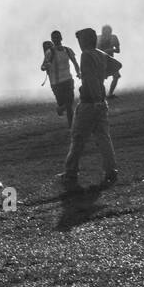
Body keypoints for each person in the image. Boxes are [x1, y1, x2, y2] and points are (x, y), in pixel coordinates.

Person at [60, 28, 120, 190]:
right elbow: (117, 65)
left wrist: (93, 81)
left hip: (89, 103)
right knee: (103, 138)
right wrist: (102, 74)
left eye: (80, 41)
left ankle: (70, 172)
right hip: (101, 101)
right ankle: (111, 170)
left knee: (78, 138)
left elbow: (91, 81)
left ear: (84, 41)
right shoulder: (100, 53)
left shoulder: (86, 55)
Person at [42, 30, 79, 126]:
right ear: (52, 40)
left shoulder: (68, 50)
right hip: (56, 83)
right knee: (65, 105)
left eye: (58, 37)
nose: (56, 39)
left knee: (69, 104)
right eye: (54, 38)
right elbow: (42, 67)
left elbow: (75, 62)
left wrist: (78, 72)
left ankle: (71, 127)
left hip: (68, 80)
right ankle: (60, 109)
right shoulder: (49, 53)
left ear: (61, 38)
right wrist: (46, 66)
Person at [97, 25, 121, 97]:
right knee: (101, 79)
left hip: (110, 60)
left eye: (108, 31)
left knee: (116, 76)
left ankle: (110, 93)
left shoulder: (113, 38)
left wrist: (110, 50)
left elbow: (118, 50)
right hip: (101, 60)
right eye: (105, 31)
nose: (106, 33)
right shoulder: (98, 38)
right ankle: (101, 94)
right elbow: (95, 50)